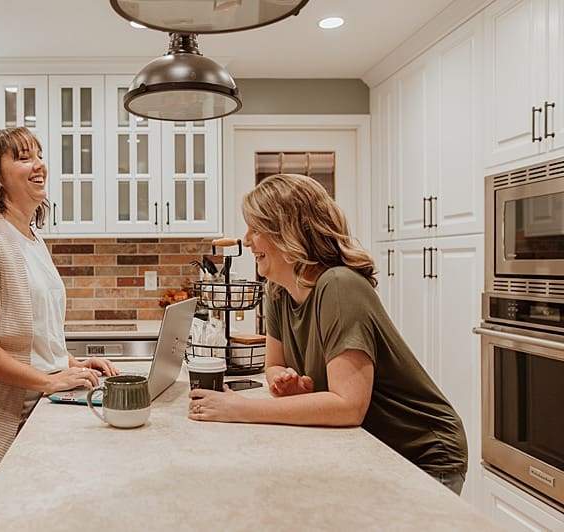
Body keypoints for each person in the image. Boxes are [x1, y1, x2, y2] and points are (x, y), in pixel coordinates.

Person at [188, 174, 468, 495]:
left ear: (288, 232)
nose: (247, 239)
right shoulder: (278, 291)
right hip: (372, 448)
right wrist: (284, 380)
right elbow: (272, 366)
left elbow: (348, 406)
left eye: (256, 228)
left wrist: (237, 409)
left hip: (421, 453)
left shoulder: (338, 286)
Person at [0, 127, 118, 498]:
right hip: (1, 425)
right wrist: (49, 381)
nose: (39, 165)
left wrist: (70, 362)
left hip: (40, 409)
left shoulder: (33, 239)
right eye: (23, 158)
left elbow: (33, 334)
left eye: (38, 155)